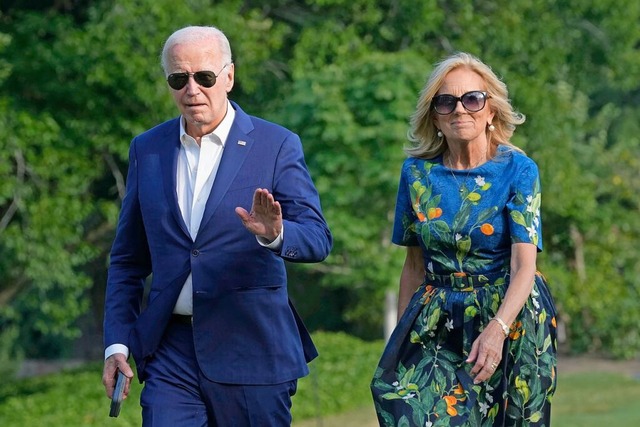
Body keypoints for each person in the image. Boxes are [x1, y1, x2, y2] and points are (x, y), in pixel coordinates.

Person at [101, 25, 332, 426]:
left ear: (228, 76)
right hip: (170, 352)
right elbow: (127, 260)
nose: (192, 89)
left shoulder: (276, 144)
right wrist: (116, 343)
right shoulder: (147, 149)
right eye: (179, 78)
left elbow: (317, 237)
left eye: (204, 77)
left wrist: (275, 235)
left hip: (253, 348)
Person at [370, 52, 558, 426]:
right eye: (446, 101)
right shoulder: (417, 174)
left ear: (491, 111)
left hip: (509, 314)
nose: (460, 109)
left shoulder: (518, 170)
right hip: (437, 316)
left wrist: (497, 330)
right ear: (435, 116)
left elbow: (525, 267)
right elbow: (414, 265)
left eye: (472, 99)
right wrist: (401, 338)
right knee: (407, 408)